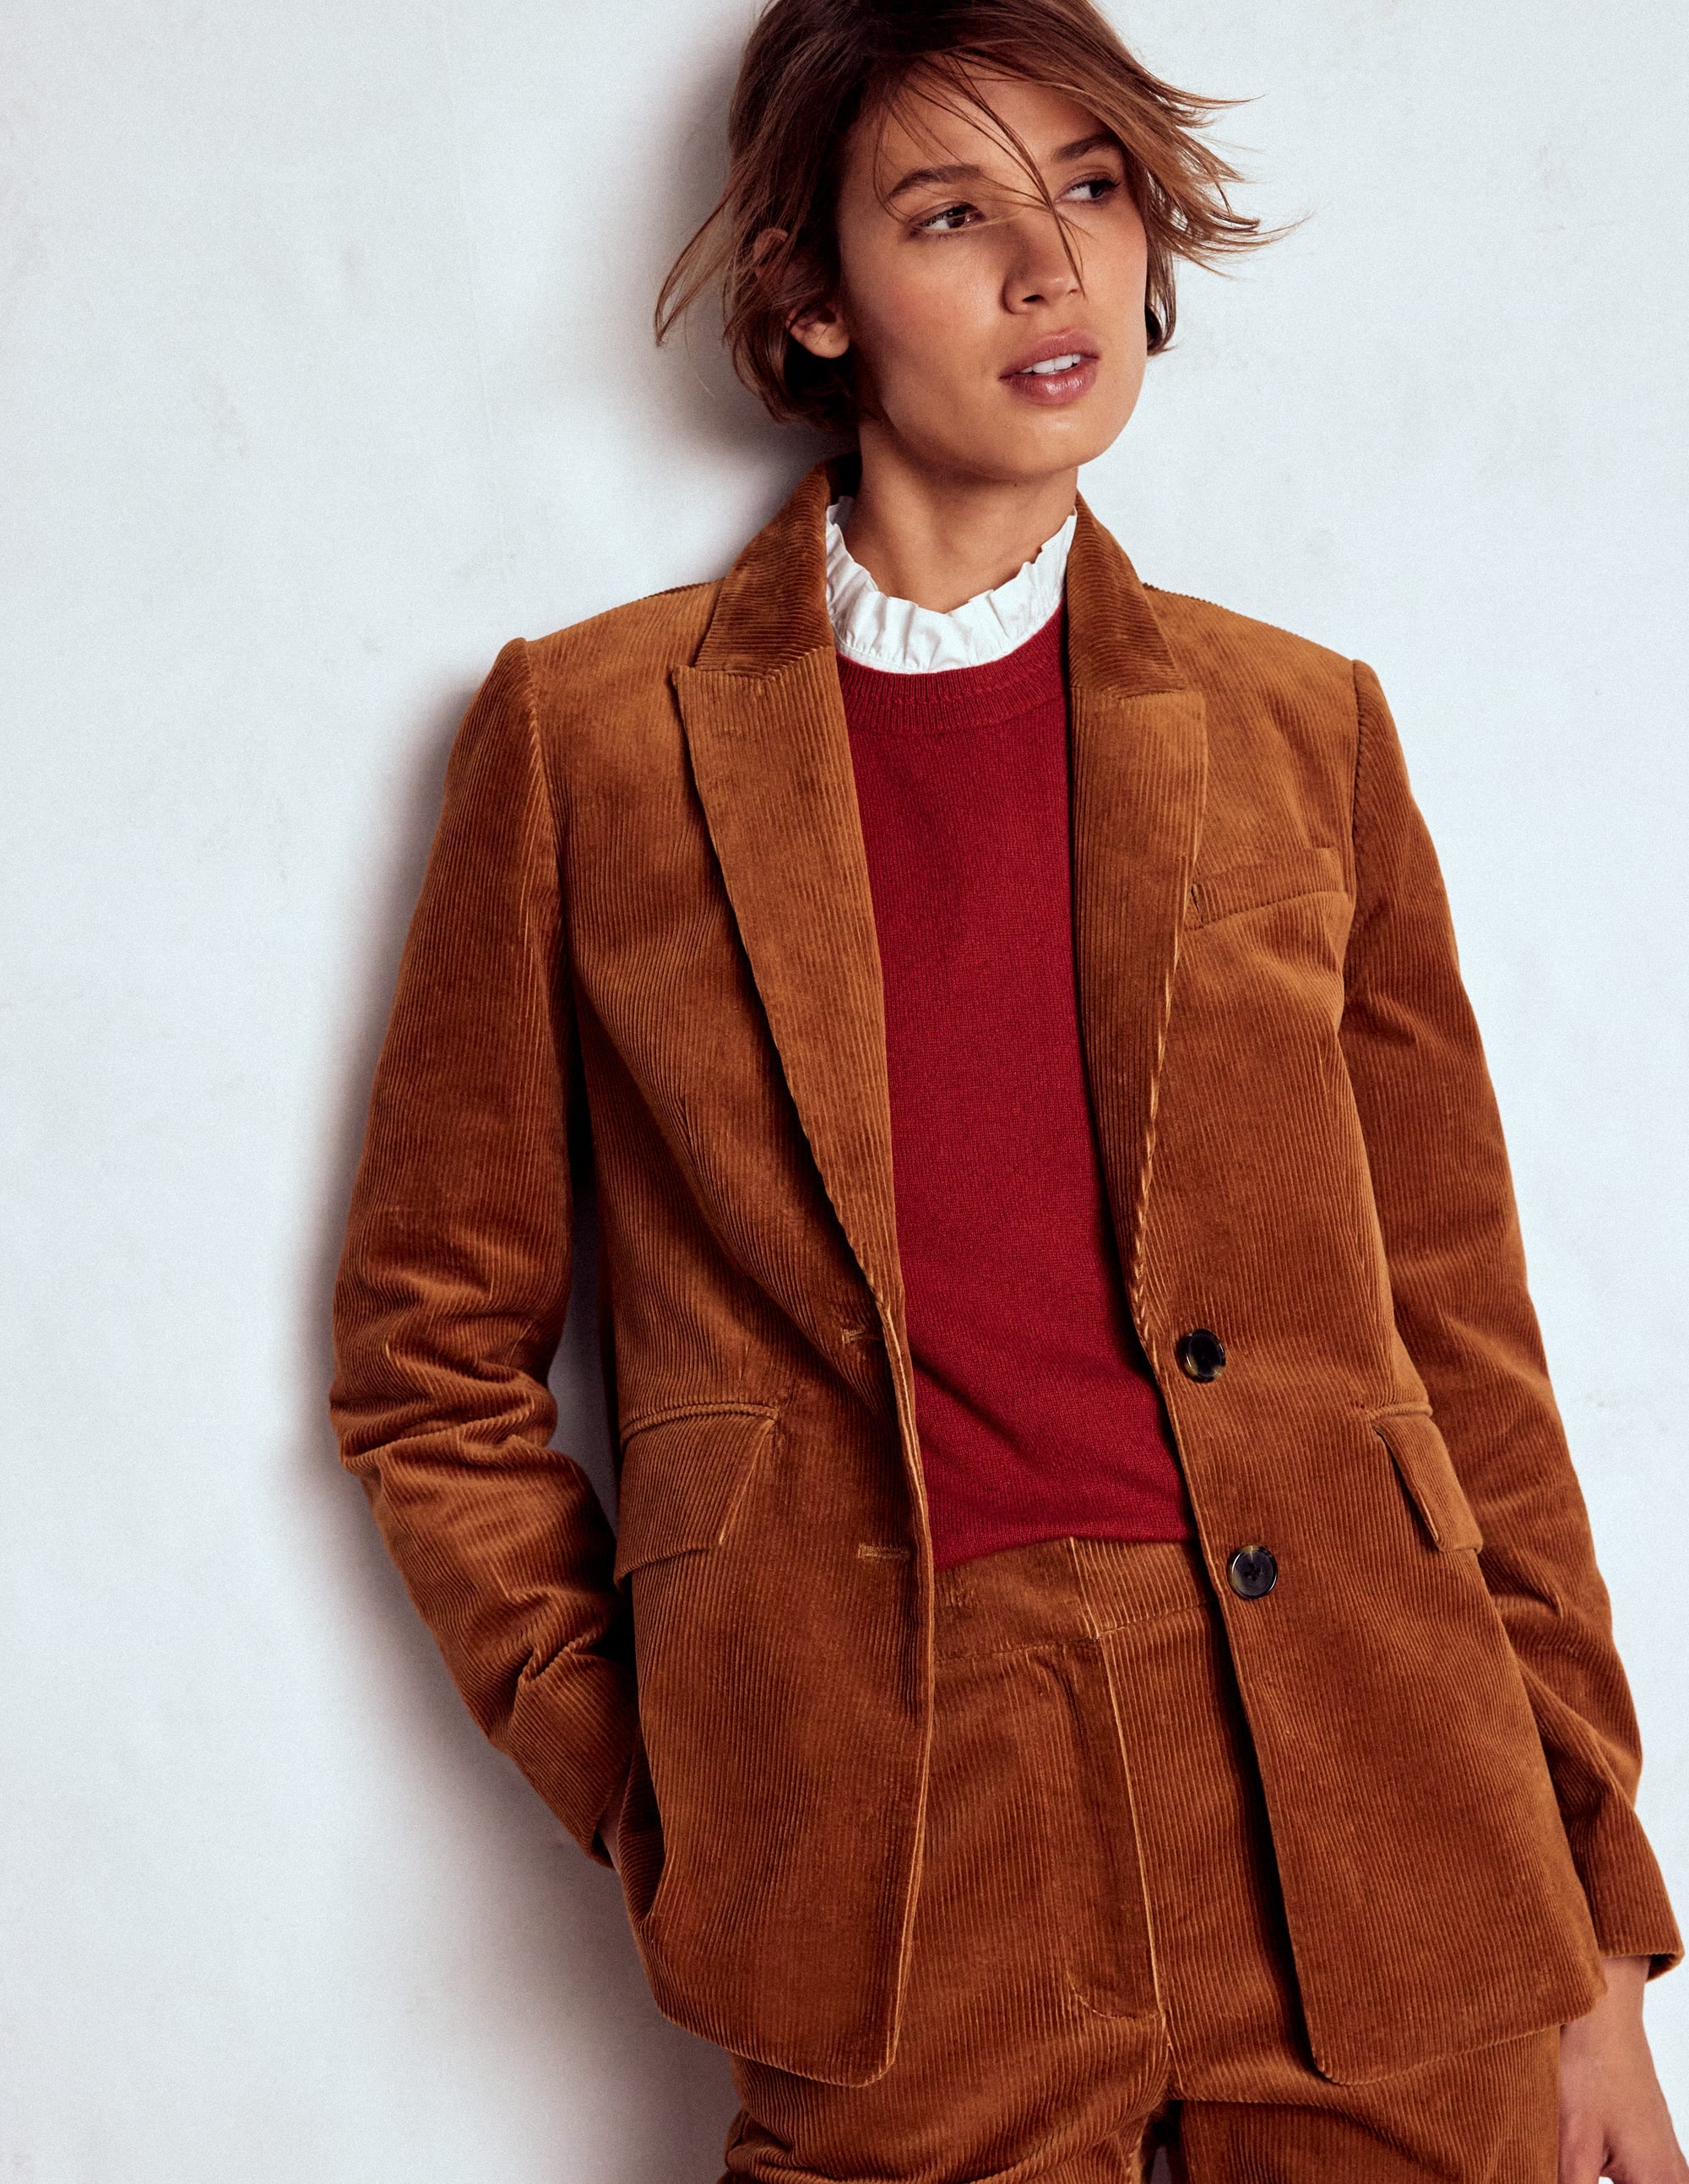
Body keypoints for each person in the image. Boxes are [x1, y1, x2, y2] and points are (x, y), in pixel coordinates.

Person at [328, 0, 1684, 2175]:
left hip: (1378, 1814)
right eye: (949, 215)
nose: (1048, 269)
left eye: (1088, 187)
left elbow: (1464, 1349)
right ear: (811, 298)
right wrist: (682, 1783)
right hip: (904, 1846)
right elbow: (426, 1361)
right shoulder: (592, 743)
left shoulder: (1298, 728)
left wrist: (1595, 1940)